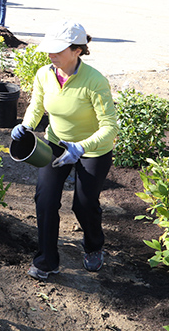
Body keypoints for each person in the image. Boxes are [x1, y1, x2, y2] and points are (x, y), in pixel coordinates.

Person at [11, 20, 118, 280]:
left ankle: (93, 246)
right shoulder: (44, 74)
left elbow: (110, 127)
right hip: (56, 143)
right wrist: (25, 126)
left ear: (77, 50)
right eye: (50, 49)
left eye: (58, 50)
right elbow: (36, 106)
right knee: (45, 200)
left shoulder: (94, 81)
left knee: (84, 205)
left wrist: (81, 147)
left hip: (93, 149)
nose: (51, 54)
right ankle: (47, 261)